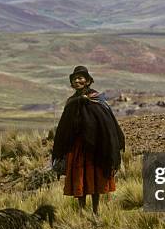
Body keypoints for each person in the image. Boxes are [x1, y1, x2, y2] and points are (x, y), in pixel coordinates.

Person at [52, 66, 125, 215]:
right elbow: (64, 127)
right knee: (80, 178)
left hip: (95, 147)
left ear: (87, 81)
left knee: (95, 178)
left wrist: (107, 142)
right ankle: (81, 211)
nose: (77, 80)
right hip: (76, 146)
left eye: (80, 78)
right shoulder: (71, 102)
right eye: (74, 79)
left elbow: (106, 123)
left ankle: (95, 211)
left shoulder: (96, 99)